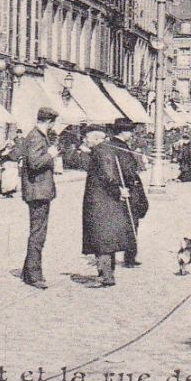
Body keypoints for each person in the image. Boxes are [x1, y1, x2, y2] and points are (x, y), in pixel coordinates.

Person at [80, 120, 148, 287]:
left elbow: (107, 175)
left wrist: (118, 190)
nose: (85, 141)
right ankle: (106, 275)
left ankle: (106, 277)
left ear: (95, 138)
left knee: (101, 240)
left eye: (87, 138)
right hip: (104, 201)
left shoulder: (101, 151)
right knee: (104, 239)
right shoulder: (104, 149)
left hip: (101, 202)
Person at [18, 107, 60, 288]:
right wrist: (50, 155)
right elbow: (34, 163)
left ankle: (28, 271)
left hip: (39, 191)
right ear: (49, 122)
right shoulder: (36, 137)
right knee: (38, 234)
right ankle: (34, 275)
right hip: (37, 192)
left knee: (37, 232)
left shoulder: (37, 135)